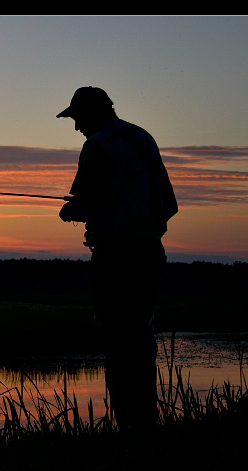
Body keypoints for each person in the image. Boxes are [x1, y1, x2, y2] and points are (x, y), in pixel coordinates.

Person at [56, 87, 178, 431]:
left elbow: (85, 204)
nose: (76, 126)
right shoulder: (142, 137)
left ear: (93, 113)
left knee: (119, 340)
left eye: (77, 118)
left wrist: (69, 211)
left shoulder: (97, 146)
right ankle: (145, 422)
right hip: (150, 252)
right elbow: (163, 198)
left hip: (116, 256)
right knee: (140, 336)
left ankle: (129, 426)